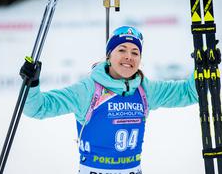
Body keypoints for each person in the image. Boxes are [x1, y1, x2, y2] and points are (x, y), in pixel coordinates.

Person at [21, 25, 198, 174]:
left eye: (135, 52)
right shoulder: (89, 89)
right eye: (122, 50)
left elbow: (190, 93)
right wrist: (31, 83)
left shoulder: (145, 89)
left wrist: (203, 66)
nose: (129, 56)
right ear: (108, 56)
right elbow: (38, 108)